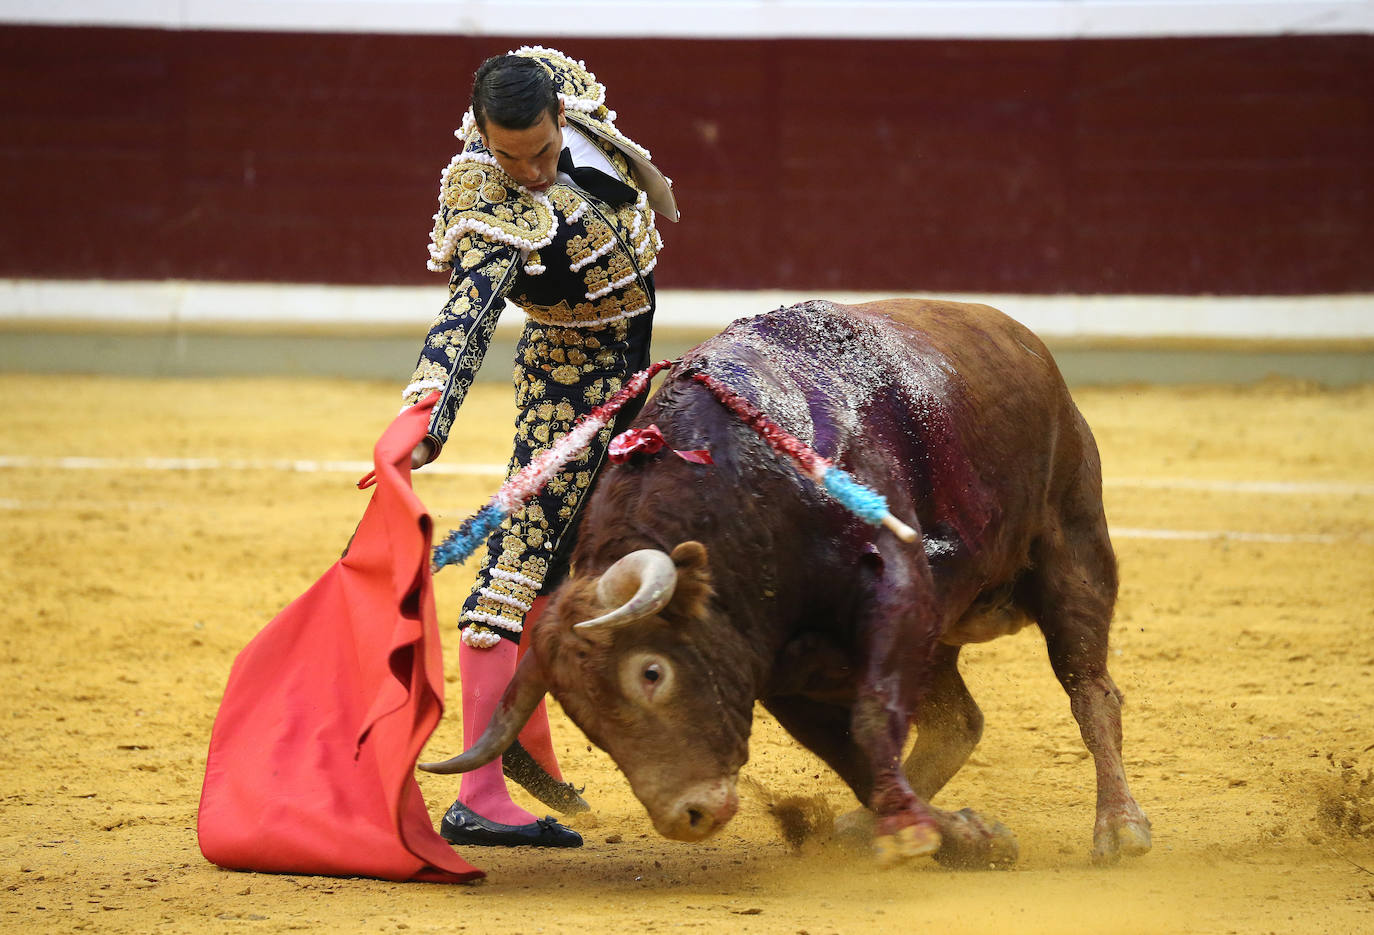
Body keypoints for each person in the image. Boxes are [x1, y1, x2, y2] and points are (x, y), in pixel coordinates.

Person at [399, 46, 677, 848]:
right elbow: (466, 317)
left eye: (541, 152)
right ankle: (478, 793)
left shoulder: (578, 110)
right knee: (518, 568)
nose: (525, 172)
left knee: (584, 560)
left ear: (563, 117)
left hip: (633, 378)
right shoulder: (489, 205)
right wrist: (427, 414)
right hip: (566, 393)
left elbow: (618, 169)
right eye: (505, 155)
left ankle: (522, 746)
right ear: (484, 139)